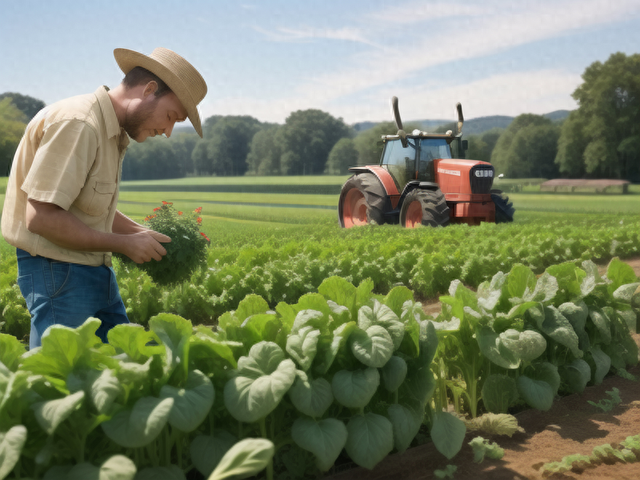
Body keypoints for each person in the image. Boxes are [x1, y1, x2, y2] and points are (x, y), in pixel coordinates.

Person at [1, 47, 208, 349]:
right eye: (171, 116)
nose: (167, 131)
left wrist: (139, 232)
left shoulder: (111, 130)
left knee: (124, 365)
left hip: (92, 269)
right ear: (149, 90)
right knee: (57, 379)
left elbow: (88, 206)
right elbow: (42, 217)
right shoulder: (80, 124)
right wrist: (124, 244)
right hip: (57, 270)